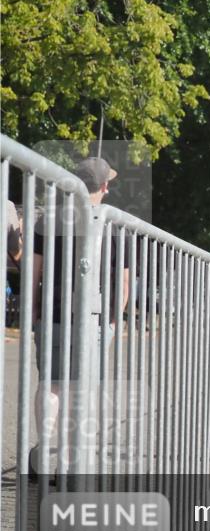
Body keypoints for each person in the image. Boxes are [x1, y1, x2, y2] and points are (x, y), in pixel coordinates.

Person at [31, 157, 128, 474]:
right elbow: (123, 280)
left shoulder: (49, 220)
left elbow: (35, 269)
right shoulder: (114, 224)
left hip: (54, 314)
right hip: (95, 319)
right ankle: (70, 462)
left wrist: (34, 308)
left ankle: (44, 453)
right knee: (81, 389)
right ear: (104, 186)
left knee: (51, 384)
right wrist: (115, 319)